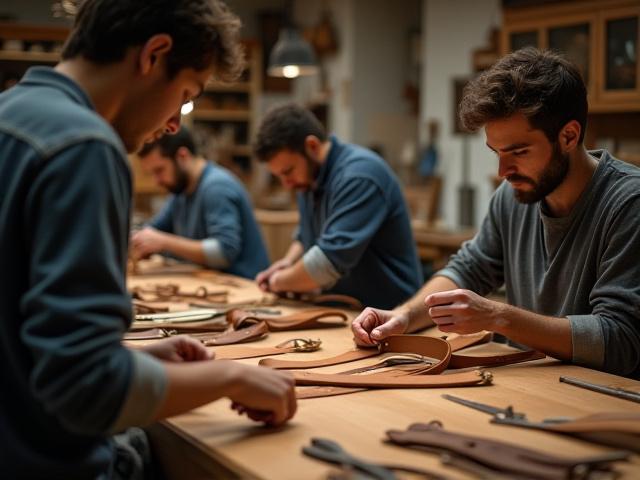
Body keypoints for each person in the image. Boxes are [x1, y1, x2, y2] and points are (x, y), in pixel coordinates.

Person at [0, 1, 296, 478]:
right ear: (153, 55)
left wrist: (127, 358)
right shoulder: (84, 146)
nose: (177, 124)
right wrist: (230, 375)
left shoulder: (11, 114)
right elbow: (86, 390)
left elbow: (23, 341)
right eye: (185, 95)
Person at [352, 47, 640, 378]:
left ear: (569, 136)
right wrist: (405, 316)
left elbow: (619, 341)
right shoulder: (513, 194)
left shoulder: (629, 203)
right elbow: (469, 269)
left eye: (518, 151)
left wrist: (498, 317)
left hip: (602, 401)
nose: (503, 170)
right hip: (534, 383)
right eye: (496, 152)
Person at [254, 104, 423, 309]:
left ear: (312, 146)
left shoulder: (360, 175)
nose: (286, 184)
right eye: (279, 176)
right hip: (345, 311)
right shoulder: (308, 179)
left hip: (389, 316)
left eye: (288, 171)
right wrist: (287, 263)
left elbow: (326, 264)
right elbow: (306, 235)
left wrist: (278, 281)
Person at [131, 126, 269, 279]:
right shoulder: (180, 191)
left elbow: (223, 253)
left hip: (244, 286)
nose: (157, 181)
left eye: (159, 170)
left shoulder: (217, 187)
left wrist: (164, 242)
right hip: (214, 284)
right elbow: (153, 231)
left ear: (182, 156)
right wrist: (139, 241)